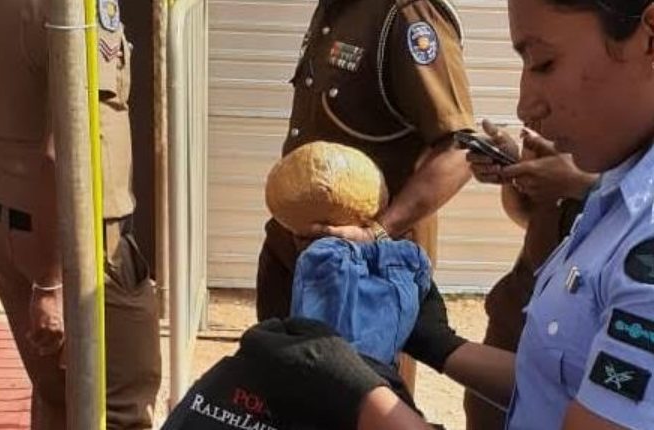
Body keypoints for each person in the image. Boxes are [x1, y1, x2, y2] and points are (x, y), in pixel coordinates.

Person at [235, 0, 654, 428]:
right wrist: (440, 344)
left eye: (545, 63)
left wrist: (363, 396)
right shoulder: (615, 201)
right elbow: (549, 386)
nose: (526, 106)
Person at [0, 1, 160, 429]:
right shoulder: (71, 8)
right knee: (119, 403)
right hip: (72, 242)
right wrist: (52, 281)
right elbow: (66, 146)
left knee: (57, 399)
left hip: (6, 220)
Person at [256, 0, 475, 321]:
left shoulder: (407, 14)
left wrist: (377, 235)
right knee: (273, 354)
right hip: (292, 256)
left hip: (365, 277)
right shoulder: (337, 8)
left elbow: (460, 149)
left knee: (352, 360)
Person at [462, 120, 597, 429]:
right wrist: (516, 174)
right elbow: (528, 215)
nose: (527, 109)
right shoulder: (566, 108)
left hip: (588, 342)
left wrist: (585, 184)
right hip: (517, 319)